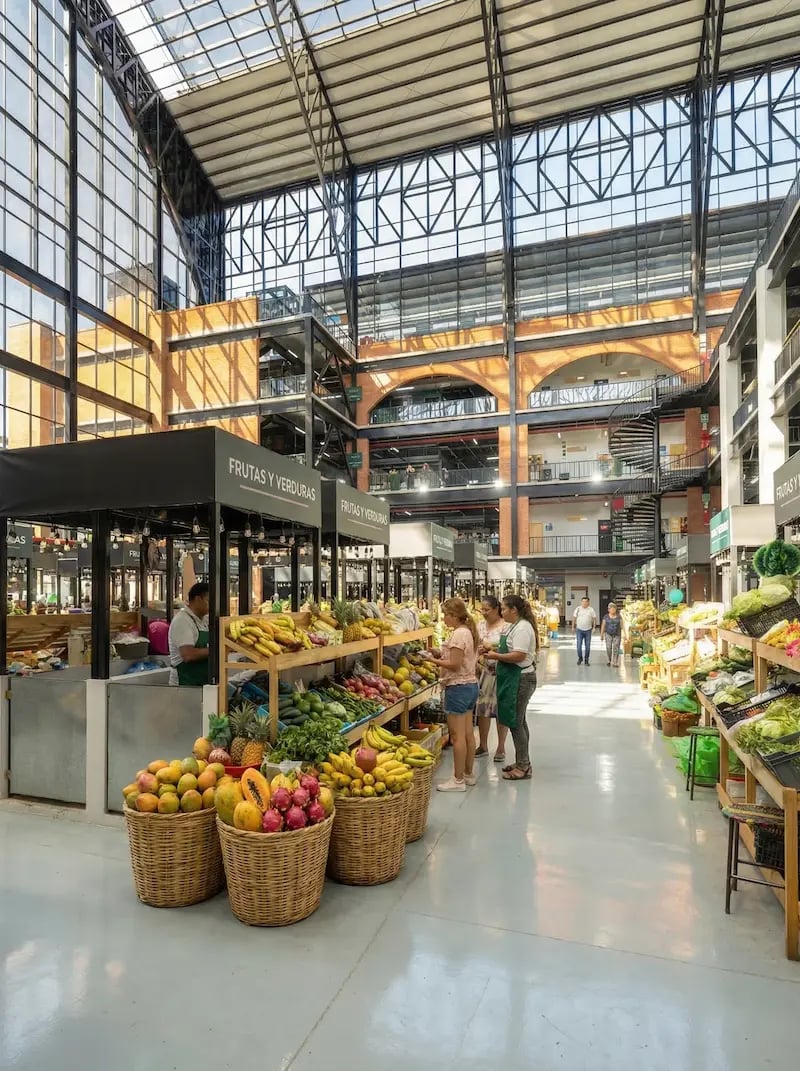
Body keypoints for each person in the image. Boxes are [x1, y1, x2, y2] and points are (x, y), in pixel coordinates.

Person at [426, 597, 479, 793]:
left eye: (445, 615)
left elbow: (455, 665)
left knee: (457, 737)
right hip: (470, 685)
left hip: (457, 688)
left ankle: (457, 781)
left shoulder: (458, 635)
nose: (444, 619)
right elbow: (458, 658)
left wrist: (432, 660)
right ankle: (468, 774)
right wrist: (440, 653)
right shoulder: (467, 632)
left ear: (454, 615)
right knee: (467, 734)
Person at [484, 594, 538, 781]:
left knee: (515, 722)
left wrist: (495, 657)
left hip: (521, 679)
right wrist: (495, 650)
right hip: (515, 678)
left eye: (504, 608)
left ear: (514, 610)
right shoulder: (515, 626)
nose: (501, 611)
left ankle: (523, 766)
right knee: (519, 722)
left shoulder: (522, 628)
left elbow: (519, 656)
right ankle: (523, 761)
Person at [475, 595, 509, 763]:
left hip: (501, 672)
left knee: (501, 710)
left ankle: (501, 747)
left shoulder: (506, 627)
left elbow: (509, 648)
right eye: (482, 609)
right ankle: (483, 745)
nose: (483, 613)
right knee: (482, 710)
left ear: (497, 609)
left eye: (487, 610)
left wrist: (492, 648)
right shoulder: (480, 625)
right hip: (483, 672)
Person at [168, 581, 210, 686]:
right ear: (197, 599)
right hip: (184, 683)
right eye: (209, 600)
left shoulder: (205, 620)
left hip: (200, 682)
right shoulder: (182, 621)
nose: (213, 605)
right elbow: (188, 655)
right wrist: (215, 650)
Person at [573, 596, 596, 665]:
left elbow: (594, 618)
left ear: (588, 602)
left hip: (588, 630)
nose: (584, 603)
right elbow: (574, 618)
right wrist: (573, 627)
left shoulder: (591, 610)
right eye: (583, 601)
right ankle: (580, 658)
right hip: (579, 630)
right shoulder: (578, 609)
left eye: (586, 602)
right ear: (581, 602)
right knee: (579, 645)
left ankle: (586, 659)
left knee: (588, 646)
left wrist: (594, 627)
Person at [601, 601, 622, 667]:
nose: (612, 610)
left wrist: (625, 635)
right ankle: (609, 660)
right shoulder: (606, 617)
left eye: (614, 608)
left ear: (616, 609)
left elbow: (622, 626)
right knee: (608, 647)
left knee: (616, 647)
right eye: (611, 609)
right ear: (608, 610)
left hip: (617, 634)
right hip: (608, 634)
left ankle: (615, 661)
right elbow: (603, 625)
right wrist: (601, 635)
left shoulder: (619, 617)